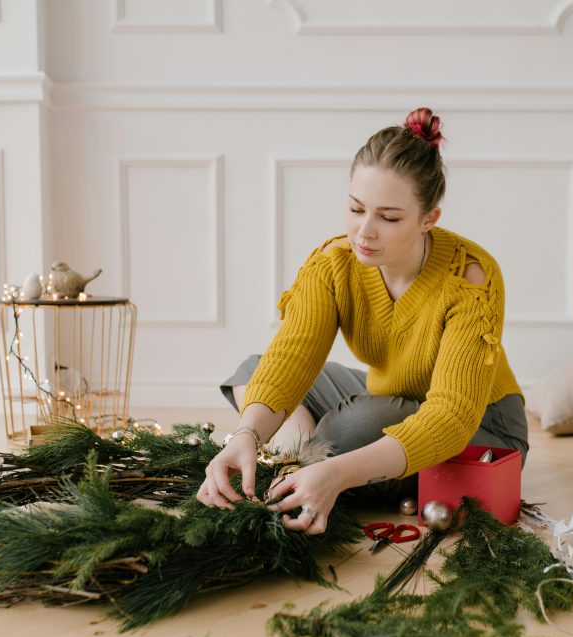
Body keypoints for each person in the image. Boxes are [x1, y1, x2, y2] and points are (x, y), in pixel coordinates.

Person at [197, 107, 528, 534]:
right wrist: (245, 436)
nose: (363, 232)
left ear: (429, 219)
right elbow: (293, 355)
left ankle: (318, 460)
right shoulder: (334, 263)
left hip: (480, 422)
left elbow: (450, 415)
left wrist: (336, 473)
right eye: (356, 209)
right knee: (258, 371)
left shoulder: (472, 275)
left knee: (351, 428)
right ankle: (300, 455)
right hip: (388, 394)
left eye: (388, 218)